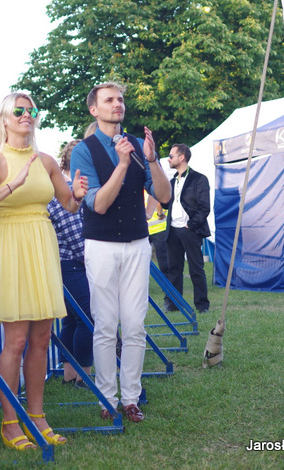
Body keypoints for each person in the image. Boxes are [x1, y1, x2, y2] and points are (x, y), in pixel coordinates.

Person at [0, 92, 87, 450]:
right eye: (18, 110)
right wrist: (10, 186)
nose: (26, 115)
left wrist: (78, 195)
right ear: (4, 119)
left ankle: (37, 417)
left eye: (31, 110)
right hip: (11, 245)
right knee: (16, 341)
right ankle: (9, 423)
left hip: (43, 244)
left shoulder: (46, 161)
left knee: (42, 339)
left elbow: (68, 205)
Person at [69, 81, 170, 423]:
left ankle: (130, 398)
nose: (118, 104)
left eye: (121, 99)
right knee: (105, 325)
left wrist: (152, 161)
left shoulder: (139, 145)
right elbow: (98, 204)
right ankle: (106, 398)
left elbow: (164, 195)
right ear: (94, 109)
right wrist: (123, 165)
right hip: (101, 245)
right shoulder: (84, 150)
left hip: (137, 243)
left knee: (136, 324)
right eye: (109, 99)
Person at [48, 140, 93, 387]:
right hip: (73, 262)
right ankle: (83, 377)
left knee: (72, 320)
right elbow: (73, 231)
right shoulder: (64, 188)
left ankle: (70, 375)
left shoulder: (64, 186)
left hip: (64, 262)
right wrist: (91, 260)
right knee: (88, 318)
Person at [163, 143, 211, 313]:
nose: (168, 159)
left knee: (196, 268)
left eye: (171, 156)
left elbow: (204, 207)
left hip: (190, 230)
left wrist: (190, 224)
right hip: (173, 230)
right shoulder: (171, 181)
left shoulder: (199, 179)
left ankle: (202, 305)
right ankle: (173, 304)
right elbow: (166, 204)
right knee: (174, 270)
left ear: (181, 157)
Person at [145, 191, 173, 311]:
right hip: (151, 229)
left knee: (164, 266)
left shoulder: (147, 184)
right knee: (164, 265)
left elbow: (157, 198)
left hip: (156, 228)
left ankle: (169, 298)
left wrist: (160, 213)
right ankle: (169, 297)